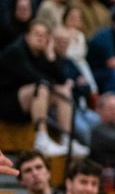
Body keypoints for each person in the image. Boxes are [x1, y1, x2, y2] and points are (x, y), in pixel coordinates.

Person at [0, 20, 81, 157]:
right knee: (42, 87)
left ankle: (67, 141)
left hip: (29, 102)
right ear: (27, 36)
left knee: (64, 94)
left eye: (44, 36)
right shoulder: (15, 51)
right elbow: (32, 76)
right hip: (6, 102)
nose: (40, 38)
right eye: (36, 34)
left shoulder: (42, 53)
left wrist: (50, 56)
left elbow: (61, 80)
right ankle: (42, 138)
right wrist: (56, 86)